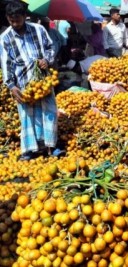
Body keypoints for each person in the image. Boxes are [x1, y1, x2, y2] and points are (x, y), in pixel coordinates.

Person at [0, 1, 64, 160]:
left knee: (49, 112)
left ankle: (51, 146)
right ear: (7, 18)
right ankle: (29, 149)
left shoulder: (38, 29)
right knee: (27, 115)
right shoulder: (5, 38)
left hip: (43, 80)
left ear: (24, 16)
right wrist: (11, 85)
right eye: (11, 20)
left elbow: (51, 47)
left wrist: (47, 60)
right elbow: (6, 62)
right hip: (23, 83)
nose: (15, 24)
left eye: (18, 20)